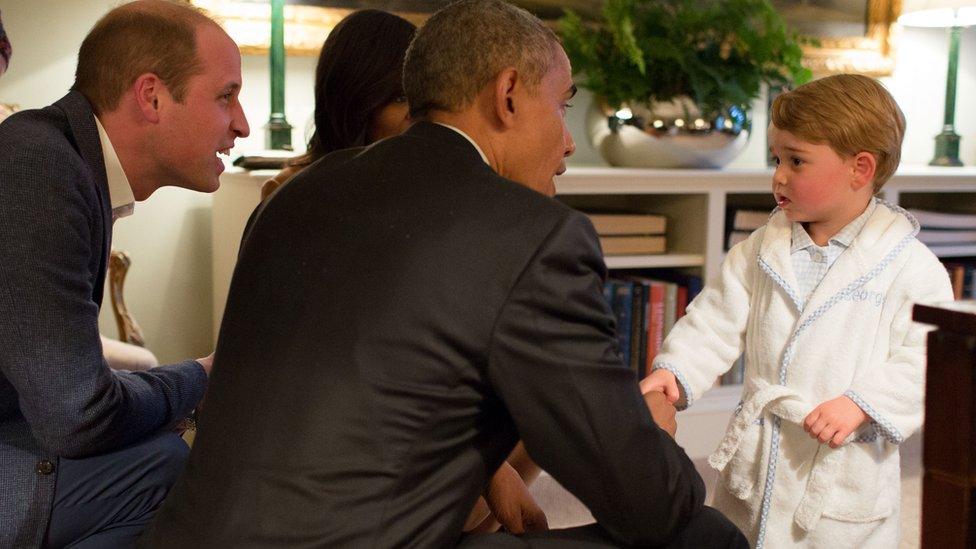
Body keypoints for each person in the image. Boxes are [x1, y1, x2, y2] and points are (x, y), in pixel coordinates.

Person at [142, 1, 746, 546]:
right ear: (508, 93)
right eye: (561, 108)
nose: (566, 143)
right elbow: (645, 504)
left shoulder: (296, 194)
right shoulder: (534, 235)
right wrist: (650, 434)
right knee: (703, 532)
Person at [641, 74, 954, 548]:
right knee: (740, 534)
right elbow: (714, 321)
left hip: (843, 468)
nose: (779, 176)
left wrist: (863, 403)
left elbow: (927, 358)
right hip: (762, 452)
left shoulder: (910, 266)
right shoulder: (760, 251)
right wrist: (678, 371)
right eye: (777, 159)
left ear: (860, 169)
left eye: (797, 160)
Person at [0, 1, 249, 546]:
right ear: (152, 96)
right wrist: (203, 377)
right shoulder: (39, 166)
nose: (242, 125)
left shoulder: (62, 160)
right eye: (226, 95)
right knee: (174, 472)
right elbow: (75, 416)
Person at [260, 9, 416, 200]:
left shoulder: (430, 181)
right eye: (401, 99)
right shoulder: (289, 191)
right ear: (357, 101)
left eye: (421, 95)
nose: (418, 112)